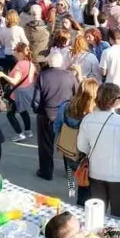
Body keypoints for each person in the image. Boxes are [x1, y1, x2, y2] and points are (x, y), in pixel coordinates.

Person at [77, 83, 120, 219]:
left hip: (96, 172)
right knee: (119, 215)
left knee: (97, 215)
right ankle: (115, 237)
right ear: (115, 101)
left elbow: (82, 147)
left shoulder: (88, 119)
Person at [33, 52, 79, 180]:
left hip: (47, 114)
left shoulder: (43, 76)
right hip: (66, 114)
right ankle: (70, 171)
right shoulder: (70, 75)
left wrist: (37, 110)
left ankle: (46, 172)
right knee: (67, 144)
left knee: (45, 145)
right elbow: (77, 93)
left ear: (49, 62)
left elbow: (36, 100)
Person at [54, 78, 99, 206]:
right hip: (87, 157)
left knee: (71, 171)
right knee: (86, 188)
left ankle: (71, 190)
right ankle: (81, 207)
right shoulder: (94, 113)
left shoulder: (66, 106)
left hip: (69, 150)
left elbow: (56, 127)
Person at [0, 42, 38, 141]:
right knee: (23, 112)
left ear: (20, 53)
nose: (13, 52)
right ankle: (28, 131)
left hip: (16, 94)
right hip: (26, 92)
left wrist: (3, 75)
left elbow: (15, 81)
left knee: (10, 114)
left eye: (15, 50)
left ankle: (19, 133)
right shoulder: (30, 63)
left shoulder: (20, 65)